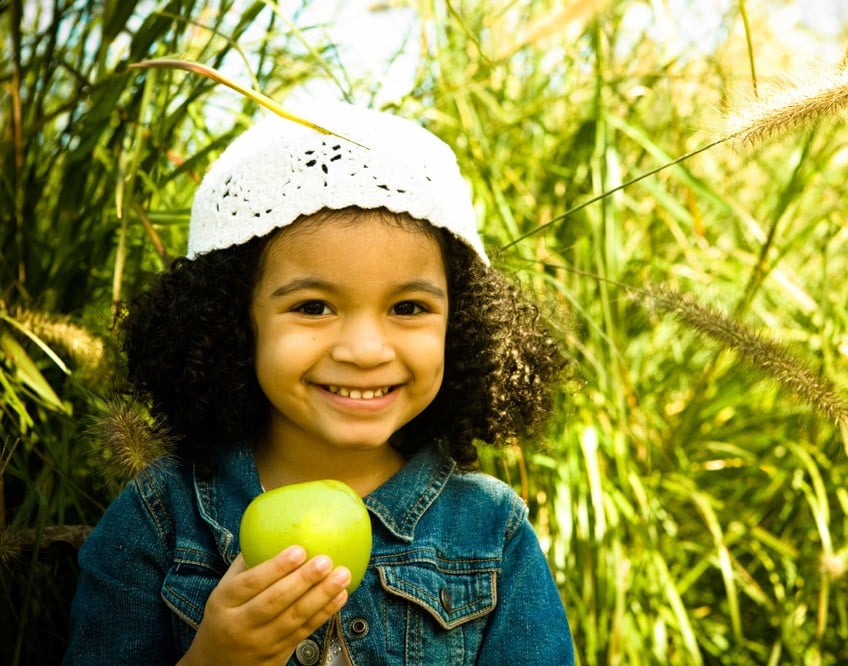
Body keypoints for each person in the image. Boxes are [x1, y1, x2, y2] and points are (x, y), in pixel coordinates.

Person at [64, 102, 574, 665]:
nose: (364, 350)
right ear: (232, 323)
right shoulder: (159, 520)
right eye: (313, 307)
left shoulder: (490, 532)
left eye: (408, 307)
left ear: (463, 323)